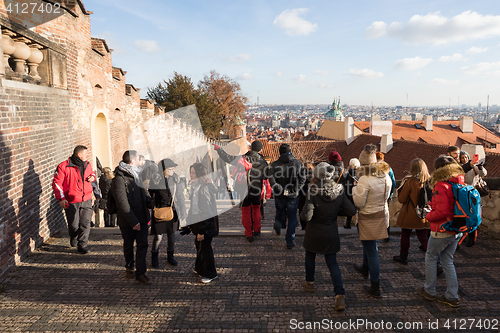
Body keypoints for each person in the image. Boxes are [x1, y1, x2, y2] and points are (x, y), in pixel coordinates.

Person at [300, 162, 356, 311]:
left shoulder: (312, 191)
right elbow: (351, 211)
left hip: (314, 232)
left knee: (310, 256)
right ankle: (339, 295)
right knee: (332, 263)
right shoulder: (339, 190)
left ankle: (310, 282)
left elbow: (307, 216)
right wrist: (335, 212)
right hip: (330, 231)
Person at [415, 156, 465, 308]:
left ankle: (429, 290)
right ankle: (452, 295)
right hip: (457, 228)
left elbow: (443, 211)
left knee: (430, 256)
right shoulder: (458, 181)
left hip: (442, 229)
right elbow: (447, 203)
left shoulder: (441, 185)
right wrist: (432, 204)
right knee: (447, 260)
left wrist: (428, 215)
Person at [352, 144, 392, 298]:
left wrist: (355, 189)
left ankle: (375, 285)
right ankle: (364, 267)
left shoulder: (364, 179)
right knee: (369, 245)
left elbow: (359, 203)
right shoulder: (386, 176)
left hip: (368, 217)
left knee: (372, 251)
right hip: (382, 214)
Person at [214, 140, 268, 243]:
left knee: (246, 211)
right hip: (256, 189)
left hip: (243, 188)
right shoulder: (262, 161)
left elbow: (228, 158)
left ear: (251, 148)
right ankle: (257, 229)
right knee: (257, 209)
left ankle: (249, 233)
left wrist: (219, 149)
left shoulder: (242, 158)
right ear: (260, 150)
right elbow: (266, 176)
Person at [111, 150, 152, 284]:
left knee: (143, 245)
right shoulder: (119, 178)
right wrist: (133, 221)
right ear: (133, 161)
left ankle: (141, 273)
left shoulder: (137, 174)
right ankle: (129, 266)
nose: (141, 162)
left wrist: (151, 202)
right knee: (128, 245)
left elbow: (144, 194)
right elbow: (122, 202)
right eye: (138, 159)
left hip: (142, 217)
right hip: (128, 220)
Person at [52, 145, 96, 254]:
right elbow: (57, 183)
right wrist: (61, 198)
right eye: (85, 153)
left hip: (86, 198)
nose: (87, 155)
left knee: (85, 223)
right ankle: (73, 236)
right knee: (73, 224)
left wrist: (93, 177)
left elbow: (92, 173)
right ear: (79, 154)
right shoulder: (63, 166)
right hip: (71, 199)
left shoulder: (87, 164)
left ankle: (82, 245)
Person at [180, 163, 219, 284]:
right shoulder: (196, 187)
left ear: (199, 174)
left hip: (206, 226)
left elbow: (206, 211)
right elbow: (193, 208)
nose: (190, 175)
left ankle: (210, 273)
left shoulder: (203, 189)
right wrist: (189, 224)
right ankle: (200, 268)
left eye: (192, 173)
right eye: (190, 172)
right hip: (200, 224)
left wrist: (202, 231)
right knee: (199, 245)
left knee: (205, 248)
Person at [148, 158, 187, 268]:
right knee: (158, 237)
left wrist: (183, 213)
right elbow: (150, 195)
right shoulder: (155, 180)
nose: (173, 171)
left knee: (171, 235)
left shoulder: (175, 180)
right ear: (163, 170)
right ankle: (154, 256)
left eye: (173, 168)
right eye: (170, 169)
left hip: (172, 211)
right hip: (159, 211)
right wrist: (150, 205)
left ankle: (170, 256)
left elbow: (180, 197)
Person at [393, 158, 431, 264]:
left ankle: (403, 257)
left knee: (405, 235)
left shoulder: (410, 181)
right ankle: (436, 261)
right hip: (425, 213)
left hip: (410, 213)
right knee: (423, 238)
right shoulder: (429, 181)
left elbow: (401, 199)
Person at [269, 143, 306, 249]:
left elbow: (270, 177)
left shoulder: (274, 164)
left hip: (279, 194)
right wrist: (296, 188)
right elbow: (302, 178)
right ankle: (289, 240)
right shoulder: (298, 163)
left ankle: (278, 226)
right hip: (292, 195)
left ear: (280, 153)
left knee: (279, 213)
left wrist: (276, 186)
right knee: (292, 217)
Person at [459, 151, 486, 247]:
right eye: (462, 157)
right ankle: (463, 235)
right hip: (462, 195)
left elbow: (484, 174)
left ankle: (471, 238)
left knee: (473, 215)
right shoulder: (458, 167)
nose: (465, 159)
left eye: (466, 157)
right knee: (462, 216)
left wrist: (480, 167)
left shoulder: (473, 165)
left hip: (472, 194)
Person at [376, 152, 395, 242]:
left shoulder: (373, 168)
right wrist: (390, 194)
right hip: (386, 195)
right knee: (386, 214)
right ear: (383, 159)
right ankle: (386, 234)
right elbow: (394, 182)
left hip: (376, 195)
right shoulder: (389, 169)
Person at [344, 158, 360, 229]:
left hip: (349, 192)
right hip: (358, 192)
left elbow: (345, 183)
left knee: (349, 209)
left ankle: (348, 223)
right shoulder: (360, 173)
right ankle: (358, 223)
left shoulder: (347, 173)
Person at [298, 162, 314, 230]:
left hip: (302, 193)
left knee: (301, 209)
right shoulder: (314, 174)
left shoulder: (301, 173)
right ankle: (309, 224)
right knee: (311, 208)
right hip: (311, 193)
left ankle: (303, 226)